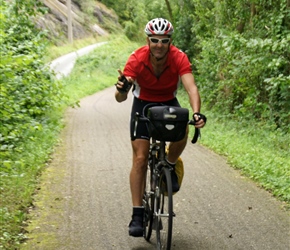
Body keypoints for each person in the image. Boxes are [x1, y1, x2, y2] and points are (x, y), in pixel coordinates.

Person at [114, 18, 206, 237]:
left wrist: (196, 112)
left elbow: (191, 88)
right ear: (148, 40)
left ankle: (170, 165)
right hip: (143, 104)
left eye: (164, 41)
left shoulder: (179, 57)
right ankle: (137, 214)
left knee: (183, 125)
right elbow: (119, 98)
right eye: (154, 40)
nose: (159, 45)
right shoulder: (137, 58)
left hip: (167, 102)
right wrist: (123, 89)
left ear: (169, 41)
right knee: (140, 158)